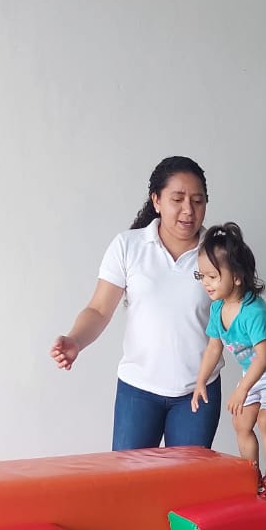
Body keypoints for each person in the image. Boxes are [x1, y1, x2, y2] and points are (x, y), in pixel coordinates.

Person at [49, 156, 224, 449]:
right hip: (138, 391)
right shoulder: (128, 246)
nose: (188, 210)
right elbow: (99, 309)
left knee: (188, 479)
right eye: (177, 199)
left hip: (198, 392)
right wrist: (75, 340)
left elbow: (238, 314)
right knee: (128, 477)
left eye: (197, 201)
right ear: (156, 200)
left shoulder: (219, 254)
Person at [191, 223, 266, 497]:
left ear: (237, 277)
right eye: (201, 275)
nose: (206, 283)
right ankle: (250, 476)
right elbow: (213, 348)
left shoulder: (254, 313)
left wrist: (242, 389)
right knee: (241, 423)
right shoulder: (218, 309)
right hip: (255, 373)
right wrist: (200, 381)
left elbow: (264, 356)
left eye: (213, 276)